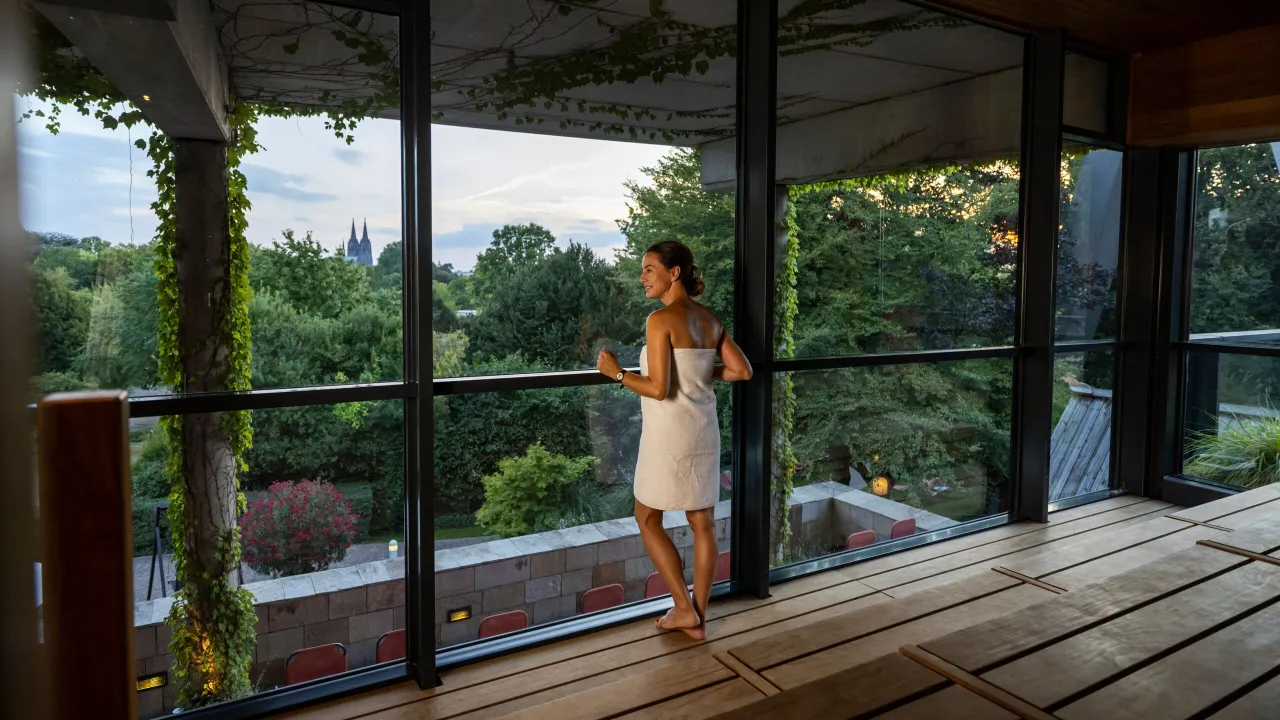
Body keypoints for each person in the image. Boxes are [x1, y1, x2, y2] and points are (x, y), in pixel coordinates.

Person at [596, 241, 752, 640]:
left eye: (649, 269)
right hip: (702, 432)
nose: (642, 276)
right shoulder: (710, 320)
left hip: (669, 438)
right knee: (702, 523)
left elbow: (659, 387)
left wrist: (615, 373)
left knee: (647, 517)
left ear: (674, 273)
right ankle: (697, 616)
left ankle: (684, 608)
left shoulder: (660, 319)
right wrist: (700, 373)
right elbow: (742, 371)